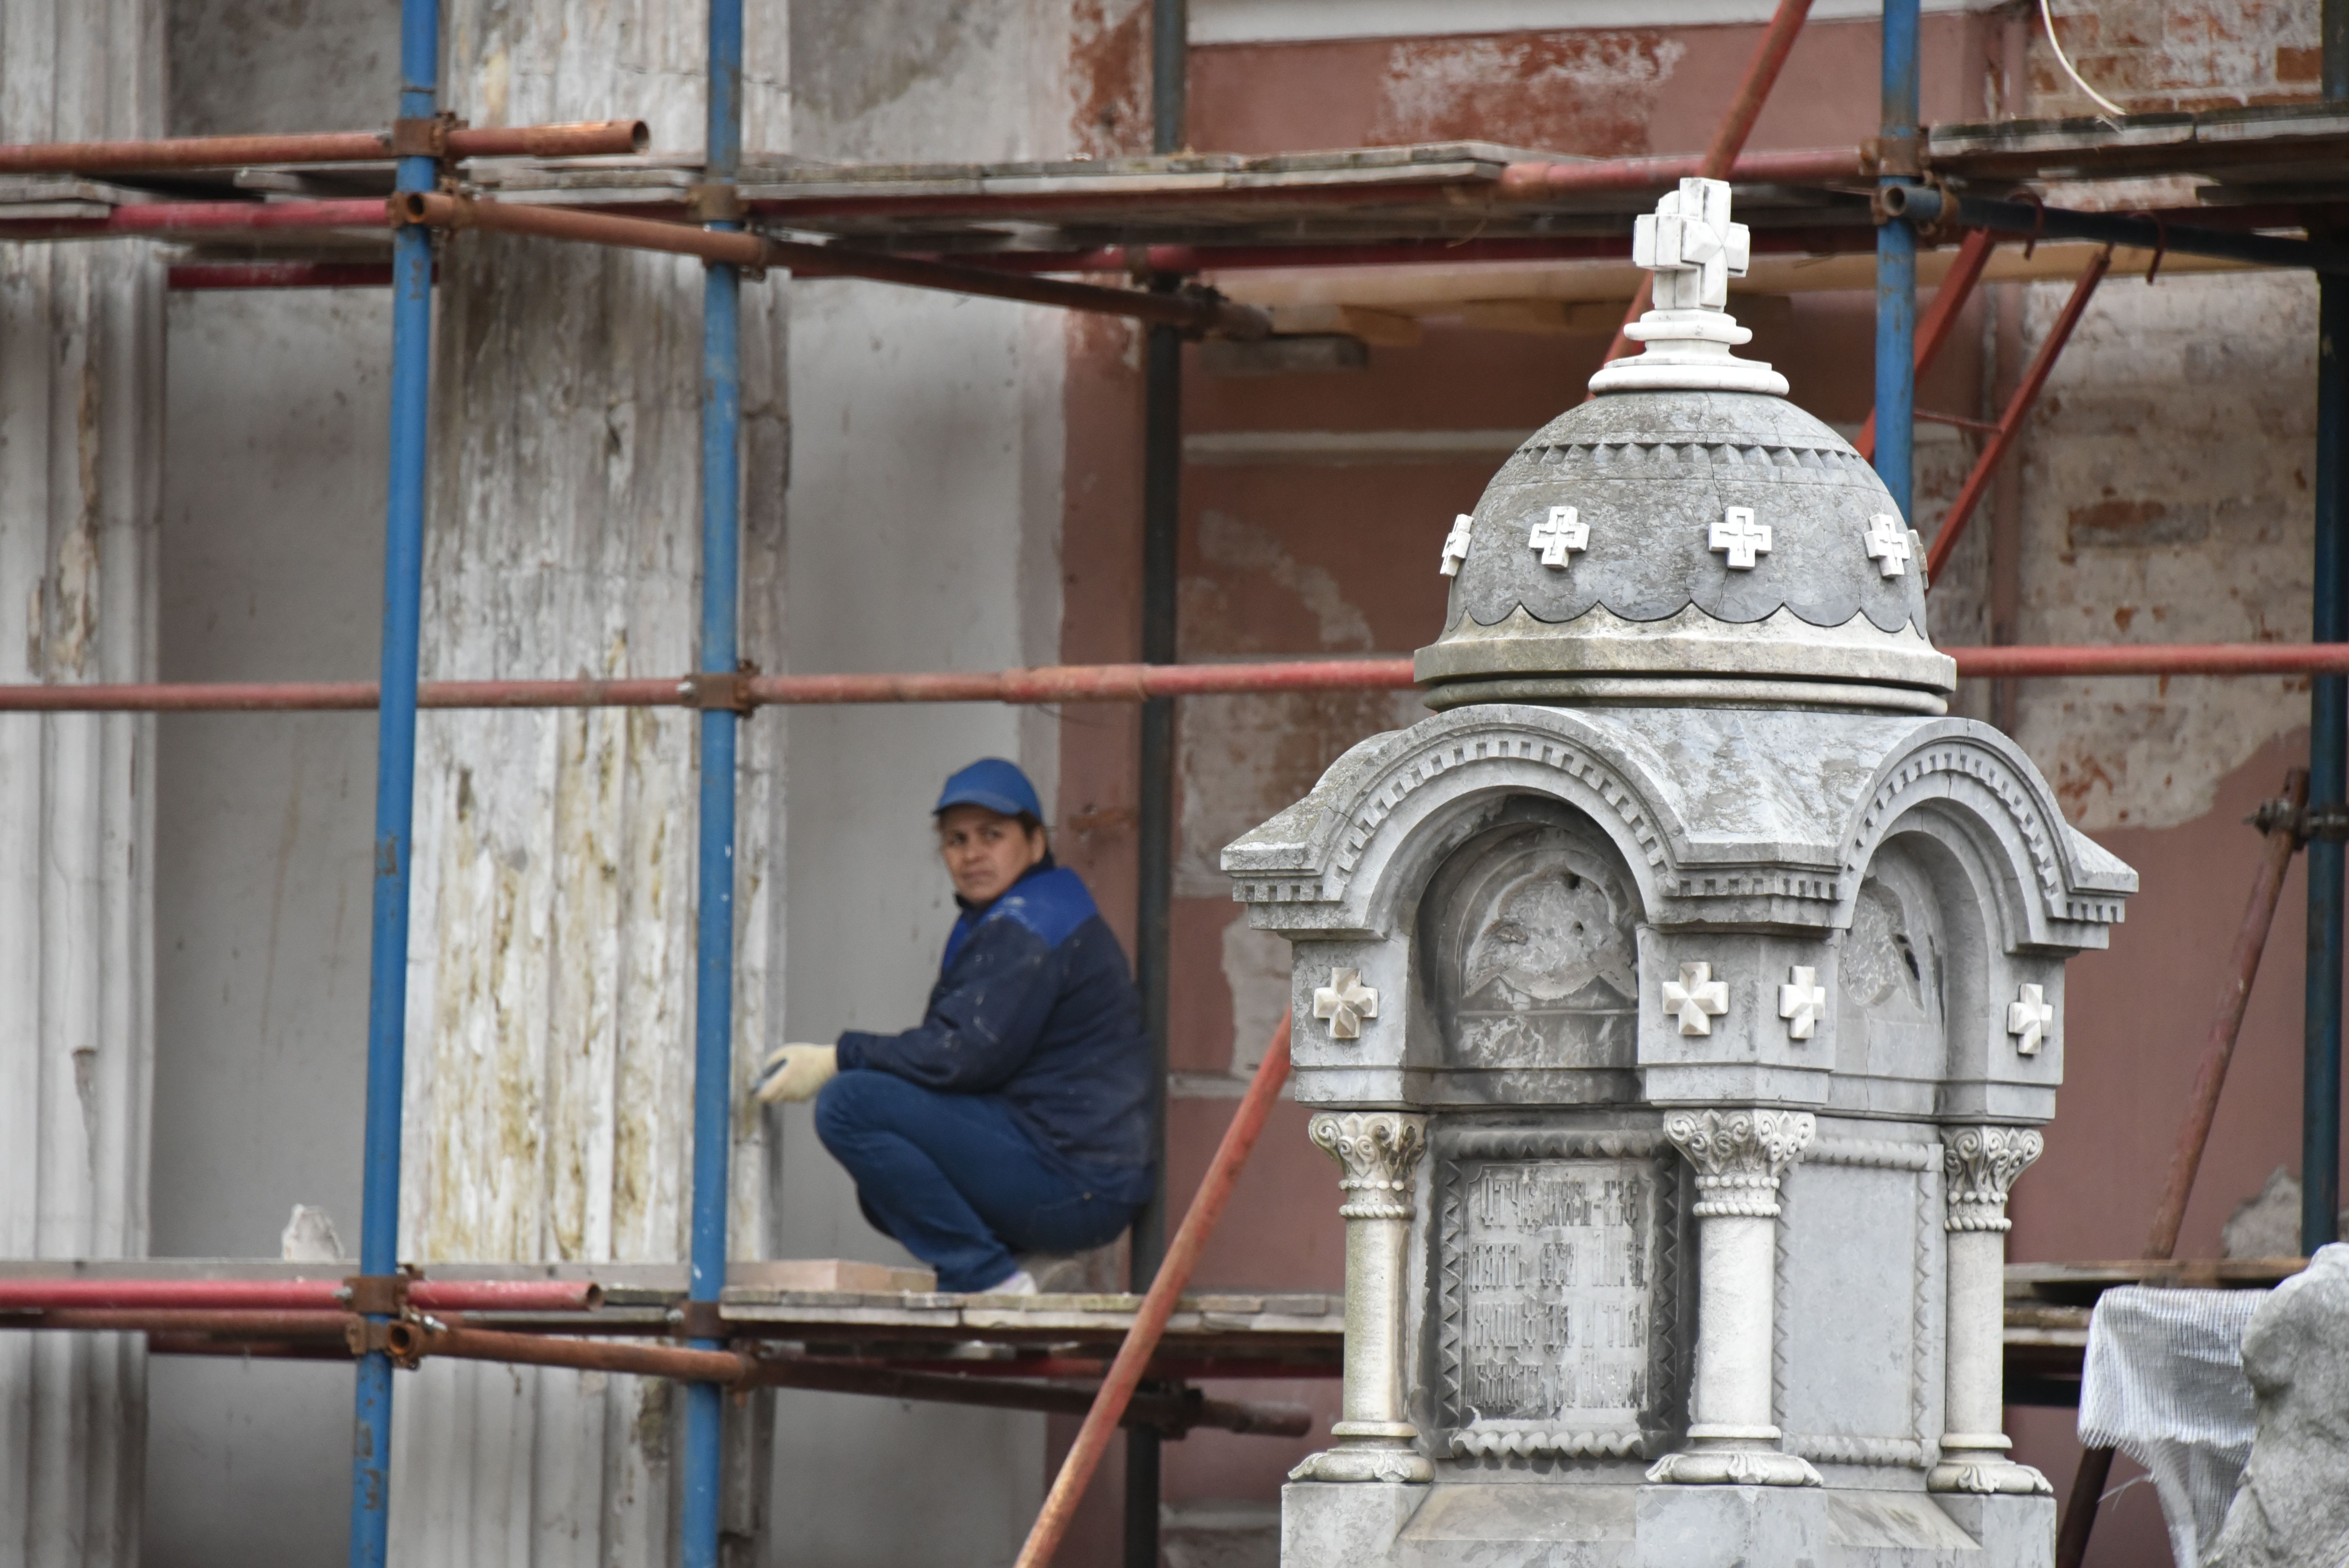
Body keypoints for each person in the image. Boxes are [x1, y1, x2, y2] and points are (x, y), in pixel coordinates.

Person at [752, 758, 1155, 1294]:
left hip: (1078, 1184)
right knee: (885, 1186)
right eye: (956, 839)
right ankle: (1020, 1267)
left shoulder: (1031, 923)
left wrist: (838, 1057)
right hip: (1069, 1173)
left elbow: (962, 1056)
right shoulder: (1009, 916)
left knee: (850, 1106)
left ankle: (987, 1280)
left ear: (1036, 843)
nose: (973, 854)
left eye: (993, 835)